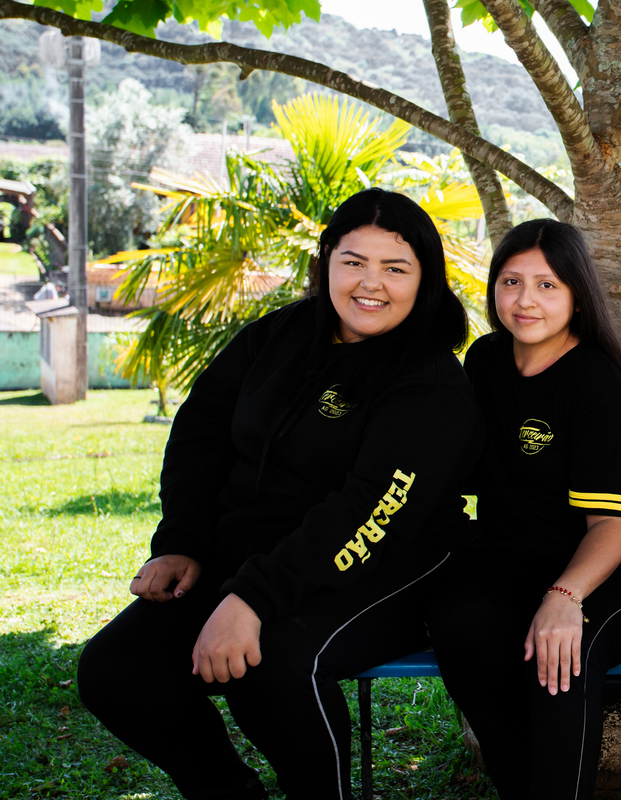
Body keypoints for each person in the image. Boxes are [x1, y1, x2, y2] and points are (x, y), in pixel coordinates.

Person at [77, 188, 482, 800]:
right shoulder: (280, 334)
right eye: (353, 262)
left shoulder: (431, 383)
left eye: (395, 268)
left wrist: (252, 599)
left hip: (387, 562)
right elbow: (201, 432)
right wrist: (182, 541)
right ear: (326, 262)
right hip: (254, 557)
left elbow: (370, 511)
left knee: (270, 663)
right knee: (116, 670)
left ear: (425, 279)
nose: (371, 284)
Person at [427, 219, 621, 800]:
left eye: (547, 285)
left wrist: (564, 597)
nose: (525, 300)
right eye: (511, 281)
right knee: (457, 620)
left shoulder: (598, 387)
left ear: (577, 296)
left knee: (561, 651)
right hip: (515, 553)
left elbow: (611, 526)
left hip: (611, 564)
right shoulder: (485, 360)